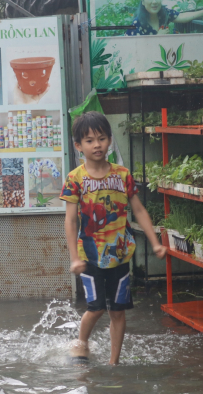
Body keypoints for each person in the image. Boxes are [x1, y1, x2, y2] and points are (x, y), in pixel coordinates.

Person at [60, 112, 167, 365]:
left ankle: (113, 362)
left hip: (120, 255)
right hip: (90, 256)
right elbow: (71, 220)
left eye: (101, 138)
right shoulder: (75, 179)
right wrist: (74, 258)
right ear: (78, 146)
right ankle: (81, 344)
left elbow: (138, 210)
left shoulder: (122, 175)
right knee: (96, 308)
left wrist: (155, 242)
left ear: (109, 141)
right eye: (89, 140)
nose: (96, 145)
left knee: (118, 311)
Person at [126, 0, 203, 36]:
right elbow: (136, 52)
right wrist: (157, 37)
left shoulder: (164, 13)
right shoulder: (136, 25)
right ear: (143, 2)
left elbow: (182, 16)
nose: (154, 2)